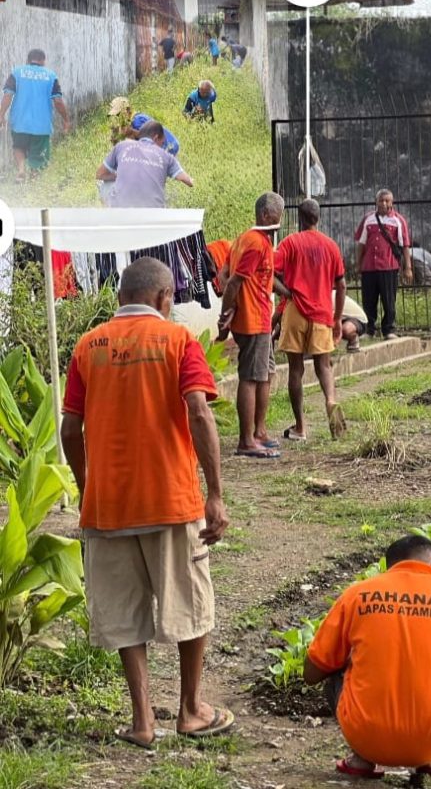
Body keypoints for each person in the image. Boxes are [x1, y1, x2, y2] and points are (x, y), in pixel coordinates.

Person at [59, 257, 234, 749]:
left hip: (107, 506)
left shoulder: (86, 346)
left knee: (122, 612)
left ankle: (141, 721)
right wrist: (215, 494)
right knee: (190, 605)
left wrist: (87, 483)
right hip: (170, 500)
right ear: (163, 298)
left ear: (119, 297)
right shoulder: (179, 342)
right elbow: (198, 411)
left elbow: (71, 428)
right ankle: (191, 710)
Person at [303, 535, 431, 783]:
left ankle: (361, 758)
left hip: (366, 737)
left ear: (389, 568)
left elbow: (312, 674)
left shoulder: (356, 595)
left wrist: (351, 659)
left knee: (334, 669)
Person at [274, 199, 348, 442]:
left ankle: (300, 427)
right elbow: (341, 284)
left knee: (296, 369)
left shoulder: (290, 242)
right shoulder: (330, 246)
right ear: (318, 217)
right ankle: (331, 400)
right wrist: (337, 319)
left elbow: (270, 270)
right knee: (323, 366)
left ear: (299, 219)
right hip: (322, 312)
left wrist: (285, 292)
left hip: (296, 310)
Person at [221, 192, 286, 459]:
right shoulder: (256, 243)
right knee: (250, 378)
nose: (280, 219)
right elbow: (234, 281)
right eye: (277, 214)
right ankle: (246, 440)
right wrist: (225, 315)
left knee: (265, 373)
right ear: (264, 215)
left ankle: (259, 431)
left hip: (258, 319)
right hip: (252, 321)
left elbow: (225, 273)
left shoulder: (245, 240)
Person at [0, 49, 71, 182]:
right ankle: (34, 177)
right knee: (38, 154)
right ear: (43, 61)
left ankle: (21, 170)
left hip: (19, 122)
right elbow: (58, 101)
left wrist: (1, 114)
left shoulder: (17, 72)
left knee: (18, 146)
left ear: (28, 60)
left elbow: (7, 95)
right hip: (41, 124)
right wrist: (66, 119)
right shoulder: (51, 76)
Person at [354, 188, 413, 339]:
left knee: (389, 299)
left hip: (388, 266)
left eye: (387, 201)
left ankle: (389, 329)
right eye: (381, 200)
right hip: (369, 267)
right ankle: (369, 329)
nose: (384, 203)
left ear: (392, 203)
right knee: (369, 300)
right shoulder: (368, 219)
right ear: (376, 202)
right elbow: (361, 243)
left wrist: (408, 267)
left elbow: (405, 245)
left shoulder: (398, 221)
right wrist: (358, 263)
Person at [96, 121, 194, 208]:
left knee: (104, 184)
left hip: (122, 210)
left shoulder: (122, 145)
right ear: (156, 138)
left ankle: (110, 216)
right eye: (162, 142)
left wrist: (122, 176)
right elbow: (188, 181)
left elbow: (100, 174)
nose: (162, 146)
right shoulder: (167, 156)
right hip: (153, 213)